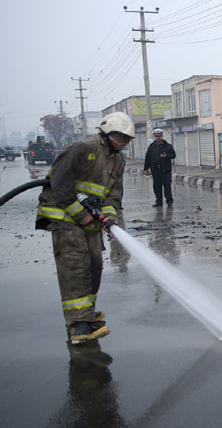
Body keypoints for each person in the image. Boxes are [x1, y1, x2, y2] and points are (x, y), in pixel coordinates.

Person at [35, 112, 134, 345]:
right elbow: (59, 185)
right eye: (120, 137)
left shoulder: (117, 161)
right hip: (65, 218)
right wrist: (81, 214)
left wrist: (109, 218)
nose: (123, 143)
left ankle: (86, 314)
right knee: (76, 268)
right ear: (107, 133)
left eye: (127, 139)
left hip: (91, 219)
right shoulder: (82, 150)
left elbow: (113, 194)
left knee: (94, 266)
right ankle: (79, 325)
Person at [143, 129, 176, 207]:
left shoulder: (168, 146)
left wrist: (166, 156)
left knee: (167, 187)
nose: (158, 137)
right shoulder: (151, 147)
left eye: (160, 136)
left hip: (165, 170)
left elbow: (173, 155)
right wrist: (146, 168)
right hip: (155, 170)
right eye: (157, 136)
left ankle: (169, 202)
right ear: (154, 137)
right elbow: (147, 158)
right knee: (157, 187)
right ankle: (159, 202)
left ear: (162, 136)